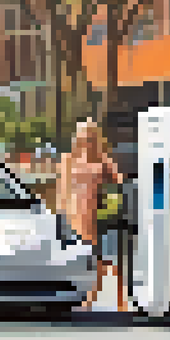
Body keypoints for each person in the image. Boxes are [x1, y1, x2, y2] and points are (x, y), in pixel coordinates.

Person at [59, 119, 125, 309]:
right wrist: (60, 214)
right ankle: (88, 298)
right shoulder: (68, 160)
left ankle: (120, 300)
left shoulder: (104, 161)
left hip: (99, 216)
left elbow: (118, 186)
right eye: (83, 135)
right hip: (76, 215)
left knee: (109, 259)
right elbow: (63, 190)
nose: (87, 140)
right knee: (85, 260)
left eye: (90, 136)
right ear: (77, 137)